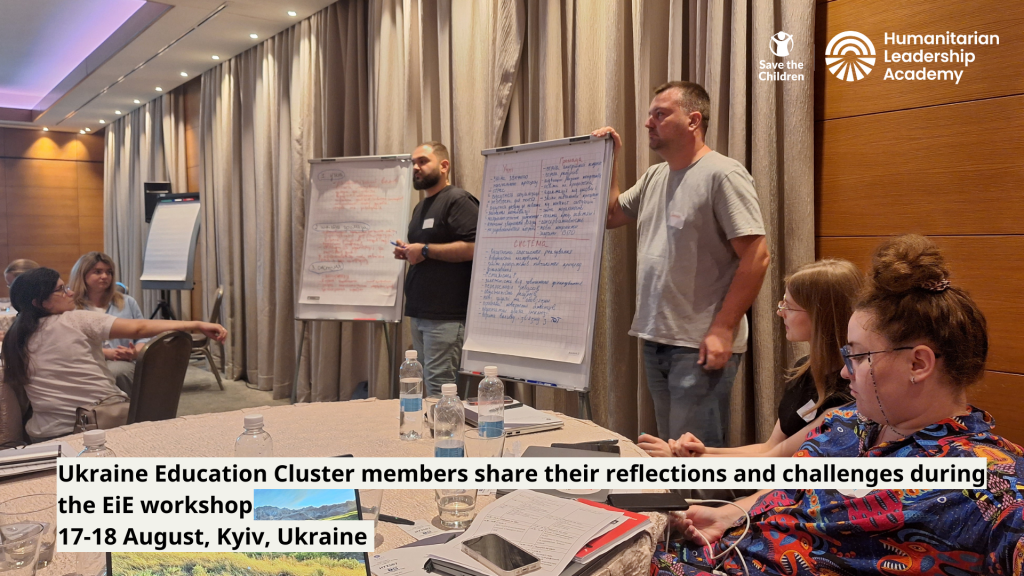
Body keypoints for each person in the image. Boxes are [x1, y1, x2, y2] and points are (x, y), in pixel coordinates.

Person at [655, 235, 1024, 576]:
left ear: (918, 364)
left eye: (861, 356)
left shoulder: (993, 485)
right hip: (710, 552)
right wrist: (728, 516)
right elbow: (783, 484)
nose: (847, 375)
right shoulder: (847, 423)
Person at [593, 81, 770, 446]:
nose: (648, 123)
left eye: (660, 114)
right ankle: (680, 505)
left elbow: (757, 255)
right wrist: (608, 157)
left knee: (694, 457)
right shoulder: (655, 175)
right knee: (671, 452)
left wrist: (723, 328)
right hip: (656, 337)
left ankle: (707, 506)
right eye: (649, 115)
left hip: (698, 343)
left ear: (693, 120)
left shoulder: (723, 173)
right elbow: (610, 215)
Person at [638, 258, 862, 459]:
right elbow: (769, 447)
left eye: (789, 306)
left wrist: (686, 462)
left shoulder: (848, 393)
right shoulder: (804, 369)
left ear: (819, 316)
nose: (780, 312)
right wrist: (703, 452)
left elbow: (774, 460)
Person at [0, 268, 227, 442]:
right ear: (41, 303)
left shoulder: (13, 337)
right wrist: (197, 324)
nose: (70, 292)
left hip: (45, 435)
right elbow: (138, 328)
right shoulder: (77, 319)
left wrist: (109, 353)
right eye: (61, 290)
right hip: (97, 427)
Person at [393, 142, 479, 397]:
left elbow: (477, 247)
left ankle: (446, 436)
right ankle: (432, 433)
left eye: (422, 161)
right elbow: (427, 249)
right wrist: (410, 252)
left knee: (439, 385)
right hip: (421, 311)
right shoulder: (421, 207)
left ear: (444, 166)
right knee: (426, 384)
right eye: (413, 163)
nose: (416, 167)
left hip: (446, 315)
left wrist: (426, 250)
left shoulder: (457, 200)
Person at [69, 252, 145, 395]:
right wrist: (107, 353)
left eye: (109, 272)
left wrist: (134, 351)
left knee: (118, 371)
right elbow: (68, 344)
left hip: (122, 361)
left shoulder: (127, 302)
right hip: (86, 362)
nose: (105, 276)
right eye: (98, 272)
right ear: (82, 274)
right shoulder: (70, 306)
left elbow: (143, 335)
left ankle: (131, 413)